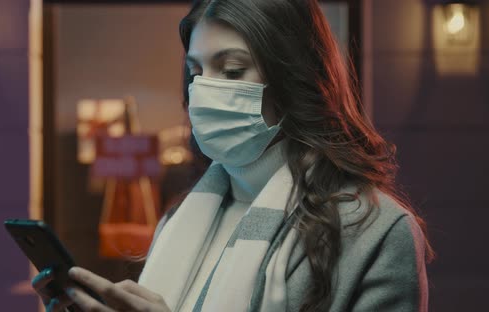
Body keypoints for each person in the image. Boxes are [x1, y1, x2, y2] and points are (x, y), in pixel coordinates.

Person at [32, 0, 434, 311]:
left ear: (290, 80)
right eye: (196, 72)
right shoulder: (179, 219)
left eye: (232, 70)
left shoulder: (377, 233)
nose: (205, 90)